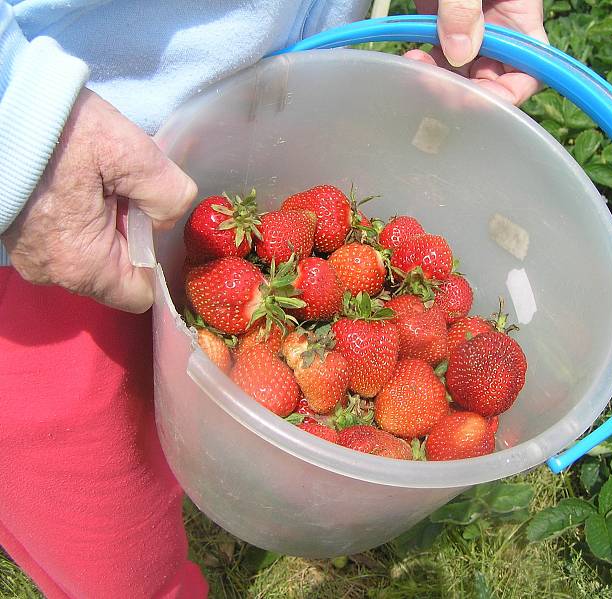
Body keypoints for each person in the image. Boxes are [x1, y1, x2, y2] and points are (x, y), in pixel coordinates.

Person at [0, 1, 546, 596]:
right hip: (60, 197)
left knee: (190, 412)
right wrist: (22, 126)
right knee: (103, 522)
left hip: (276, 128)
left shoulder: (308, 277)